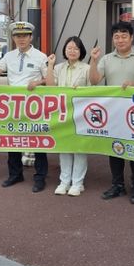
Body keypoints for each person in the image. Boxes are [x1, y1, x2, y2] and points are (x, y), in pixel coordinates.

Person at [89, 21, 134, 204]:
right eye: (116, 37)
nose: (120, 40)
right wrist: (93, 60)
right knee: (115, 148)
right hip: (114, 112)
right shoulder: (106, 59)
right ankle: (117, 185)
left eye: (124, 36)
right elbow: (94, 80)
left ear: (131, 37)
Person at [0, 21, 49, 192]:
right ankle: (15, 174)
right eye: (17, 36)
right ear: (13, 38)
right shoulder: (9, 56)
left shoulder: (40, 56)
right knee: (13, 140)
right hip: (13, 105)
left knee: (37, 141)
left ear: (31, 37)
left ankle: (40, 177)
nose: (21, 39)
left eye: (24, 36)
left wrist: (38, 82)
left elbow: (50, 80)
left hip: (34, 106)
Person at [46, 36, 90, 196]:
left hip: (80, 114)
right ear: (64, 50)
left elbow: (93, 90)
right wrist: (50, 65)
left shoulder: (86, 68)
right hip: (62, 113)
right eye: (69, 48)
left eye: (76, 48)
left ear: (81, 51)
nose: (72, 51)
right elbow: (50, 87)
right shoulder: (58, 68)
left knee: (79, 148)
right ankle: (64, 181)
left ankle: (77, 183)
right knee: (64, 147)